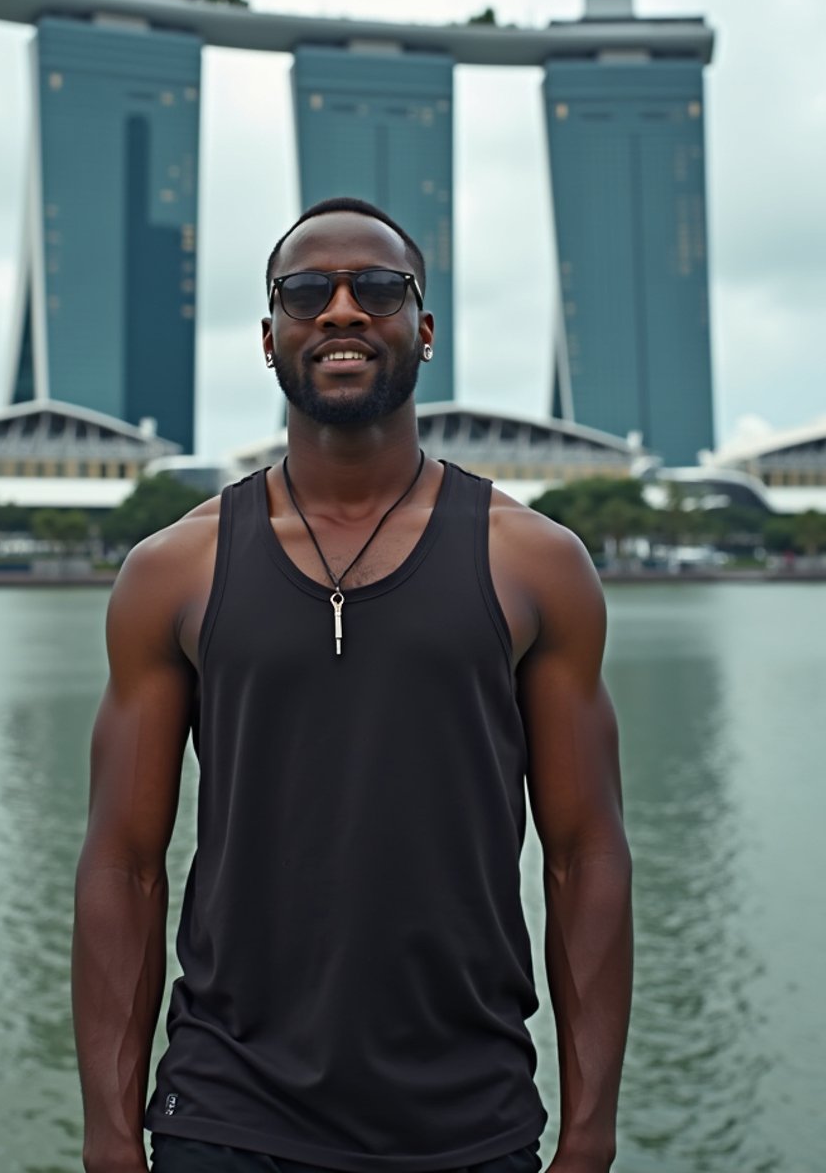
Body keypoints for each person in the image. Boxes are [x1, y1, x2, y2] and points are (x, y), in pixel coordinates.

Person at [72, 198, 632, 1173]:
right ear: (269, 335)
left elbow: (585, 855)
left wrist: (588, 1132)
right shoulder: (175, 571)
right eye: (305, 292)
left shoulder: (536, 565)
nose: (339, 310)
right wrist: (112, 1135)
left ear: (420, 326)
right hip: (226, 1112)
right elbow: (123, 863)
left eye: (375, 289)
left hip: (468, 1118)